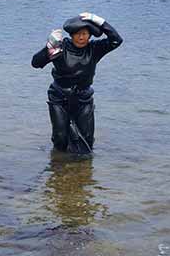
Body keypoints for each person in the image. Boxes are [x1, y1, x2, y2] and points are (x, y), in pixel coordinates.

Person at [31, 12, 122, 154]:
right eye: (77, 33)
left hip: (83, 98)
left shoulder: (94, 49)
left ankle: (82, 172)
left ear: (90, 35)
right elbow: (35, 63)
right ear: (71, 34)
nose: (81, 37)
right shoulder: (61, 47)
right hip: (59, 97)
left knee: (87, 141)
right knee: (60, 138)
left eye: (85, 33)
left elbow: (116, 40)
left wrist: (100, 21)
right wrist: (49, 46)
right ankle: (59, 168)